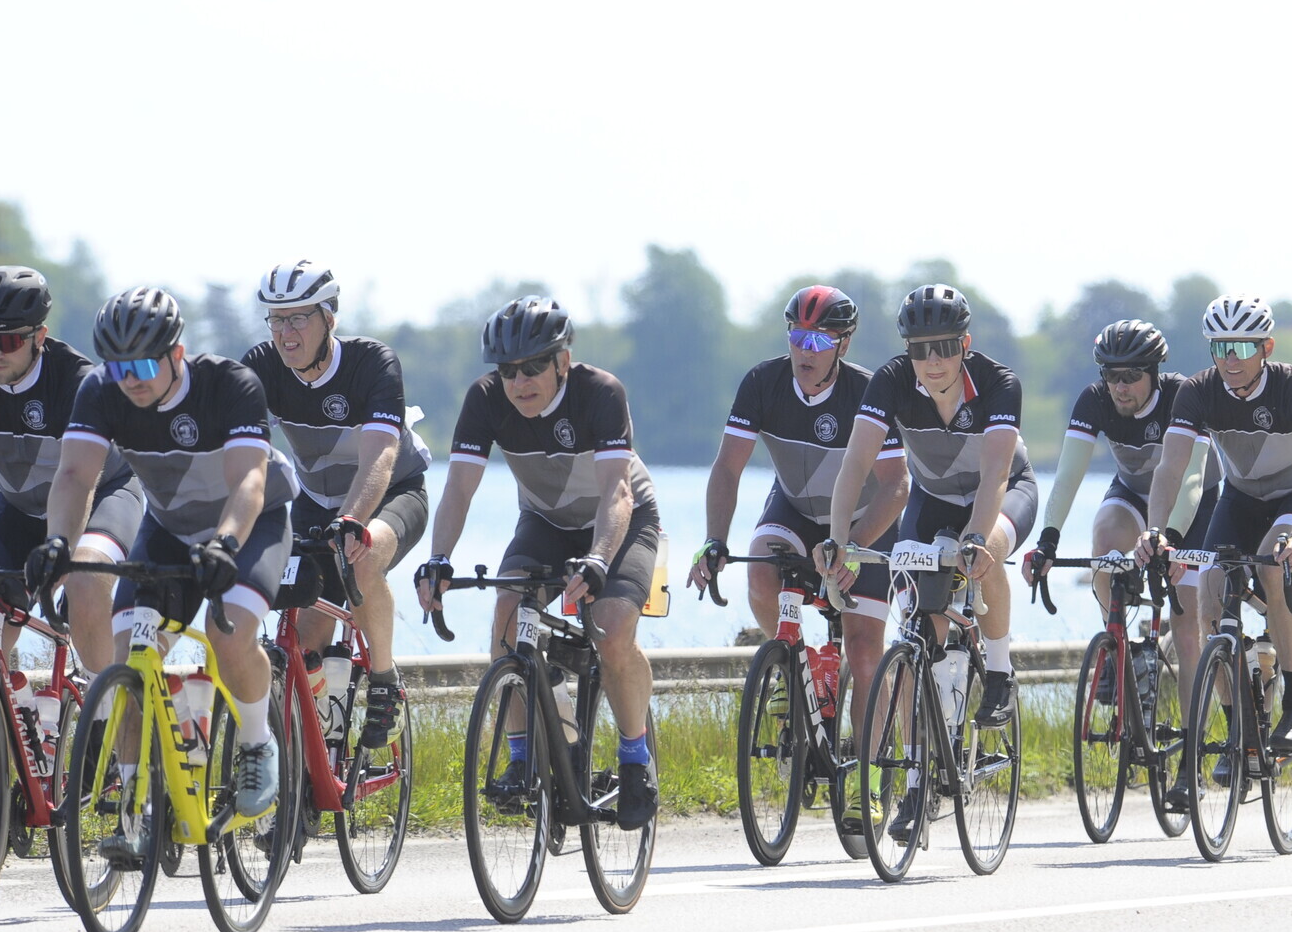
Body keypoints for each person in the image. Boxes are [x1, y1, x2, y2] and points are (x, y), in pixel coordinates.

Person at [29, 287, 300, 852]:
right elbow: (75, 476)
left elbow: (249, 481)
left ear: (177, 354)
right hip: (171, 529)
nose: (129, 379)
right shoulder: (100, 391)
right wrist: (57, 542)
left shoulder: (230, 384)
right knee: (129, 659)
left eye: (143, 365)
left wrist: (226, 543)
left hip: (249, 525)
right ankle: (137, 810)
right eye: (118, 366)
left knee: (228, 635)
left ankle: (257, 742)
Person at [414, 296, 662, 831]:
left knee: (612, 630)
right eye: (508, 371)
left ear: (562, 362)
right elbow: (459, 488)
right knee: (508, 613)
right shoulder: (485, 400)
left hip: (621, 520)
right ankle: (524, 755)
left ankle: (635, 757)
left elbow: (617, 493)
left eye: (532, 368)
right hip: (546, 521)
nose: (519, 382)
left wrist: (599, 559)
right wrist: (438, 558)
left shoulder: (600, 392)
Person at [0, 266, 146, 861]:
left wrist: (62, 552)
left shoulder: (79, 382)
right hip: (21, 508)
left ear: (39, 337)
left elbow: (77, 477)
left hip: (101, 498)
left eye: (8, 339)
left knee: (86, 586)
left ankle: (115, 747)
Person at [817, 284, 1039, 839]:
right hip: (933, 499)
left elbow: (996, 474)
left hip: (1002, 492)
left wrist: (975, 540)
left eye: (943, 347)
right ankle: (918, 785)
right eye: (920, 349)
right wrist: (838, 540)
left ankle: (1000, 670)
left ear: (964, 344)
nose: (932, 360)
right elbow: (855, 465)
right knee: (920, 637)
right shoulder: (891, 381)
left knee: (986, 556)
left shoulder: (998, 383)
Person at [1134, 297, 1292, 808]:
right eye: (1221, 347)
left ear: (1266, 348)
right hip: (1242, 498)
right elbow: (1170, 468)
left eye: (1243, 348)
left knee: (1272, 569)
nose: (1231, 358)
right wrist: (1156, 531)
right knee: (1209, 594)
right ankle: (1237, 731)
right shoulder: (1198, 392)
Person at [688, 285, 908, 751]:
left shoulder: (867, 392)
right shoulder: (763, 382)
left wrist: (852, 546)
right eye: (797, 337)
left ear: (843, 345)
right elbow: (727, 468)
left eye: (819, 340)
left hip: (864, 522)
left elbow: (897, 485)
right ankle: (793, 666)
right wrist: (714, 539)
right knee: (761, 572)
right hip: (796, 508)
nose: (805, 351)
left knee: (864, 653)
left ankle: (869, 775)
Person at [242, 260, 432, 749]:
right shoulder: (261, 365)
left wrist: (352, 519)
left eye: (298, 318)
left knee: (362, 557)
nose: (285, 333)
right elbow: (234, 449)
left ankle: (385, 683)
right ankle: (317, 738)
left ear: (329, 318)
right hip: (315, 502)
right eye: (276, 319)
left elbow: (380, 456)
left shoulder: (371, 363)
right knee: (303, 635)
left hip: (391, 492)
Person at [1023, 318, 1215, 721]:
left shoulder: (1183, 396)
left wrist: (1169, 538)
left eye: (1131, 376)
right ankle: (1116, 646)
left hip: (1191, 506)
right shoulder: (1095, 400)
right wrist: (1048, 540)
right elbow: (1067, 476)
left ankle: (1191, 743)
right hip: (1132, 493)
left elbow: (1192, 482)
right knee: (1105, 536)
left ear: (1154, 373)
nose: (1120, 387)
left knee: (1185, 630)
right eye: (1111, 375)